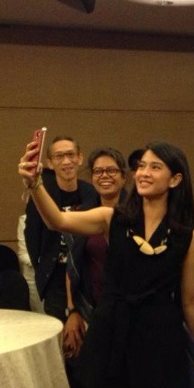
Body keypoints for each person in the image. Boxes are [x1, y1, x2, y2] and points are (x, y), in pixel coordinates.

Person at [19, 140, 194, 388]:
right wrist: (34, 184)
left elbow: (191, 301)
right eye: (141, 166)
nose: (143, 173)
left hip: (158, 339)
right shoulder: (112, 219)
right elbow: (58, 221)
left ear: (175, 179)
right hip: (111, 331)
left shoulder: (187, 236)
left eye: (155, 167)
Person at [64, 147, 128, 363]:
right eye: (98, 171)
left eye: (112, 170)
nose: (104, 176)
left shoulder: (138, 216)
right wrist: (73, 310)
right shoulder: (81, 214)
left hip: (129, 311)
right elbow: (72, 267)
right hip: (92, 311)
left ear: (124, 177)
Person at [24, 137, 98, 323]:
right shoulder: (42, 195)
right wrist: (42, 267)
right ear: (50, 162)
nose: (66, 161)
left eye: (71, 155)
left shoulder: (91, 192)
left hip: (85, 273)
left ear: (80, 158)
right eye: (59, 156)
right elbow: (32, 236)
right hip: (54, 275)